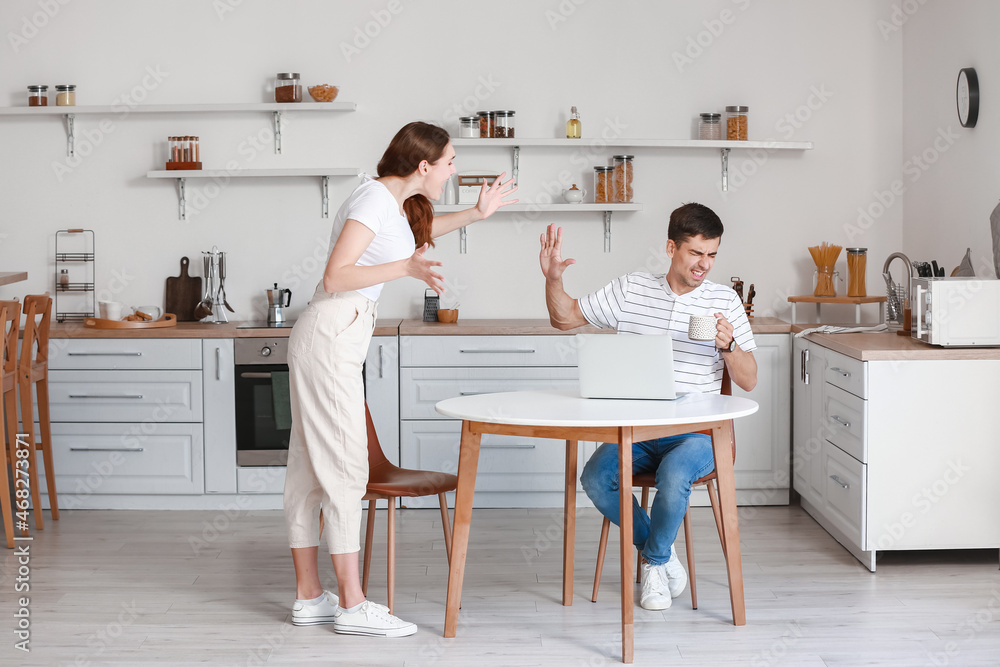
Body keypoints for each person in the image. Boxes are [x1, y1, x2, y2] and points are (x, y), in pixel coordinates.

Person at [284, 121, 517, 636]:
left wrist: (477, 214)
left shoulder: (388, 203)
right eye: (451, 162)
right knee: (345, 468)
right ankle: (351, 605)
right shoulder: (373, 200)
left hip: (327, 335)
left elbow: (413, 236)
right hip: (332, 335)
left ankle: (308, 597)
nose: (454, 171)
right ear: (424, 165)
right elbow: (335, 274)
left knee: (307, 469)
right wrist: (405, 271)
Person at [538, 202, 756, 611]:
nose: (704, 264)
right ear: (671, 247)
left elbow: (749, 378)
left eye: (712, 255)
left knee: (675, 473)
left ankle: (652, 565)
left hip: (699, 433)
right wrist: (552, 280)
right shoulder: (632, 289)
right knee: (596, 477)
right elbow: (564, 318)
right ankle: (662, 554)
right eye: (695, 253)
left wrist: (728, 347)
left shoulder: (724, 301)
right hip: (637, 427)